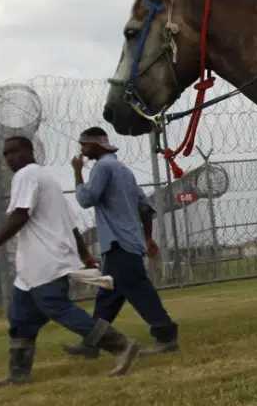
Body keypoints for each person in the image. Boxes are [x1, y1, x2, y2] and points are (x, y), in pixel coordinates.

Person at [0, 136, 143, 386]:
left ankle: (121, 345)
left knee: (58, 308)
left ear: (30, 151)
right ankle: (18, 374)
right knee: (19, 316)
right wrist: (84, 255)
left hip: (45, 260)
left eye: (14, 152)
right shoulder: (47, 179)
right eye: (5, 155)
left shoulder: (27, 174)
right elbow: (71, 224)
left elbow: (19, 216)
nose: (9, 158)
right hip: (32, 267)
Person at [62, 127, 180, 358]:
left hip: (118, 241)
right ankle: (92, 341)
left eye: (84, 145)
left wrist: (77, 173)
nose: (82, 150)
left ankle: (166, 334)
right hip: (129, 240)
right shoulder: (123, 169)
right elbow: (145, 206)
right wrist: (147, 236)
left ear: (98, 144)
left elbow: (87, 199)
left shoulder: (102, 167)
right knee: (109, 295)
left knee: (138, 289)